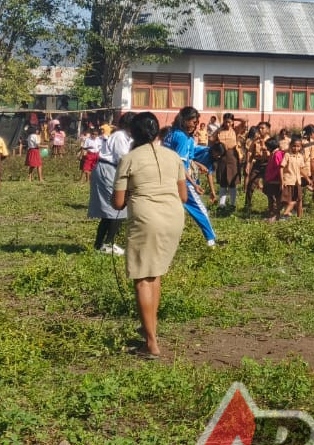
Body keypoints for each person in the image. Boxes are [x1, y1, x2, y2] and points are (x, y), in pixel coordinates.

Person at [112, 112, 187, 359]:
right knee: (155, 274)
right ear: (157, 133)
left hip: (146, 219)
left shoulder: (129, 159)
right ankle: (149, 329)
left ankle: (151, 344)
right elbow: (184, 196)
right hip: (174, 218)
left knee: (142, 278)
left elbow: (118, 202)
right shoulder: (173, 156)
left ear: (132, 133)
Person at [161, 107, 220, 247]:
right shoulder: (182, 137)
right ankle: (211, 241)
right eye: (194, 121)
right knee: (200, 209)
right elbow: (180, 166)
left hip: (165, 178)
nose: (196, 124)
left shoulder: (171, 133)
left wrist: (198, 165)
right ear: (185, 120)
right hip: (180, 181)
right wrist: (194, 184)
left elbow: (180, 158)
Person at [90, 113, 134, 254]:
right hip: (108, 169)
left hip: (111, 169)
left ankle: (100, 244)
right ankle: (108, 243)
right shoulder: (120, 136)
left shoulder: (125, 137)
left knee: (110, 211)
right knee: (117, 208)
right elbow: (123, 159)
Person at [211, 113, 242, 211]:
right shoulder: (219, 130)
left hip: (233, 156)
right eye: (225, 121)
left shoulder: (235, 130)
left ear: (232, 122)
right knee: (223, 181)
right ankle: (222, 205)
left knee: (232, 182)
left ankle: (232, 204)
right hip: (222, 156)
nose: (227, 124)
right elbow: (211, 138)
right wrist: (217, 145)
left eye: (229, 122)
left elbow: (245, 120)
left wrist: (234, 118)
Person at [278, 136, 306, 220]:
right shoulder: (287, 155)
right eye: (294, 146)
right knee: (288, 200)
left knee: (299, 199)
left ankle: (299, 218)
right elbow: (281, 167)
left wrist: (308, 179)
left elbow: (301, 170)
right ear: (290, 146)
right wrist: (282, 181)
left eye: (298, 146)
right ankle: (284, 214)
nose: (296, 148)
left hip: (297, 182)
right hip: (289, 181)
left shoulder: (300, 156)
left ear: (300, 147)